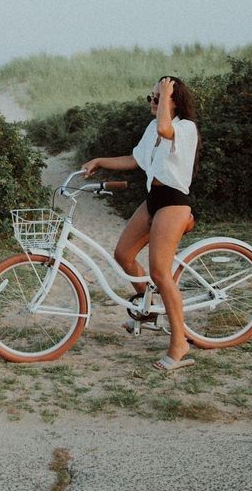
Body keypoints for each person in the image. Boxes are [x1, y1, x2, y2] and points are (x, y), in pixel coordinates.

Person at [82, 75, 199, 374]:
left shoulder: (185, 128)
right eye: (151, 97)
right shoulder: (152, 128)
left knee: (160, 271)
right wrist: (99, 160)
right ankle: (147, 309)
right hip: (154, 197)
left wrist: (167, 91)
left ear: (173, 100)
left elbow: (165, 127)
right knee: (123, 254)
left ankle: (179, 344)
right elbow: (135, 160)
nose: (151, 101)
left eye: (156, 97)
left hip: (174, 202)